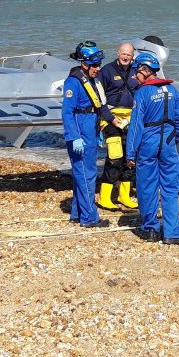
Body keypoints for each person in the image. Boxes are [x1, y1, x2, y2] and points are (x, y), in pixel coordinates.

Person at [125, 52, 179, 245]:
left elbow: (136, 126)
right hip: (168, 143)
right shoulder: (172, 90)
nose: (135, 76)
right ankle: (172, 232)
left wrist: (130, 153)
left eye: (137, 72)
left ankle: (151, 229)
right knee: (171, 188)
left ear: (146, 71)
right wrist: (174, 139)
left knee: (147, 187)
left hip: (148, 144)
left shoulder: (142, 93)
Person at [61, 42, 110, 229]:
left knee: (81, 174)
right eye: (95, 65)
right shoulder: (73, 82)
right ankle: (89, 217)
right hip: (81, 131)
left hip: (90, 128)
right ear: (85, 64)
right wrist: (74, 137)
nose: (98, 69)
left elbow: (99, 106)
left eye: (99, 65)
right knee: (86, 174)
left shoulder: (90, 79)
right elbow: (67, 112)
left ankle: (77, 213)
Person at [96, 42, 139, 211]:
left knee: (130, 157)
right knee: (114, 156)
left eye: (129, 54)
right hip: (111, 118)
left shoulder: (137, 71)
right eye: (123, 53)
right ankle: (105, 197)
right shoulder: (106, 71)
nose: (126, 56)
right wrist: (110, 118)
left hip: (130, 119)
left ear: (133, 55)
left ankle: (124, 195)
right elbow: (99, 99)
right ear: (118, 53)